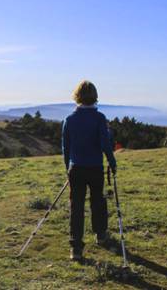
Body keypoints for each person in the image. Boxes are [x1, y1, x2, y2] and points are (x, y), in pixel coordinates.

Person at [62, 80, 117, 261]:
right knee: (97, 202)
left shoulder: (69, 120)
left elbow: (66, 148)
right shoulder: (99, 118)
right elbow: (105, 144)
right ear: (94, 96)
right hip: (94, 167)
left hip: (76, 168)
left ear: (77, 96)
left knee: (76, 206)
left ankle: (76, 248)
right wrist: (112, 161)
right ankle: (101, 235)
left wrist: (67, 169)